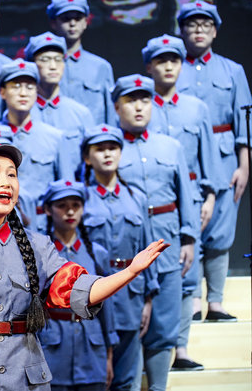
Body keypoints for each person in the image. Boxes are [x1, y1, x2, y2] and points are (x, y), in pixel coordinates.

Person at [0, 140, 167, 391]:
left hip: (27, 381)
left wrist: (129, 272)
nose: (6, 182)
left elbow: (79, 289)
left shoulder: (38, 246)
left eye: (12, 174)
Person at [112, 75, 199, 391]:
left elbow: (186, 196)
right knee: (132, 327)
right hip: (129, 247)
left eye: (145, 100)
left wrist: (188, 239)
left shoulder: (170, 145)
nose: (139, 107)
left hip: (167, 243)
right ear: (117, 106)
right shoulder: (109, 147)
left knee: (163, 327)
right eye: (131, 100)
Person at [142, 34, 222, 371]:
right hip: (151, 201)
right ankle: (149, 352)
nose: (169, 66)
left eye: (174, 60)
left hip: (188, 198)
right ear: (150, 66)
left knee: (187, 274)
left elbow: (208, 157)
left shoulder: (196, 107)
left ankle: (182, 349)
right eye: (161, 61)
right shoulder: (139, 103)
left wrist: (211, 195)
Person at [176, 0, 251, 323]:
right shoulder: (173, 67)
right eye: (192, 25)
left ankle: (216, 302)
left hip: (222, 158)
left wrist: (244, 164)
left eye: (205, 25)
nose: (199, 30)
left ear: (215, 30)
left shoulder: (232, 70)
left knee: (220, 233)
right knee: (191, 229)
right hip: (185, 157)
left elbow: (244, 122)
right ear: (182, 30)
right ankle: (192, 300)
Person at [80, 124, 158, 391]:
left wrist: (148, 298)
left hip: (130, 296)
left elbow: (148, 248)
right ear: (87, 158)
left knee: (126, 378)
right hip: (94, 292)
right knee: (94, 375)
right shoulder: (80, 198)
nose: (107, 154)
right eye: (99, 149)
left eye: (112, 148)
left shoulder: (135, 196)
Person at [0, 59, 75, 230]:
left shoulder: (55, 138)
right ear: (3, 92)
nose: (23, 92)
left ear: (37, 91)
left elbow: (66, 191)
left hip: (42, 226)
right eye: (16, 86)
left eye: (30, 86)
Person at [39, 180, 117, 391]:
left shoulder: (96, 253)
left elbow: (106, 308)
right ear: (48, 209)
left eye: (76, 205)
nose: (70, 211)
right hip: (53, 346)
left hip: (91, 348)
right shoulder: (40, 253)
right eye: (62, 205)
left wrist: (108, 355)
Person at [46, 0, 115, 124]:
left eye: (78, 18)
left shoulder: (100, 67)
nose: (72, 23)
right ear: (53, 23)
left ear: (85, 22)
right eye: (65, 18)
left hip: (92, 140)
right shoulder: (41, 66)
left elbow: (110, 114)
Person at [25, 31, 95, 144]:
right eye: (45, 59)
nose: (53, 66)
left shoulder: (80, 113)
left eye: (58, 59)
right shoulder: (21, 113)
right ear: (31, 64)